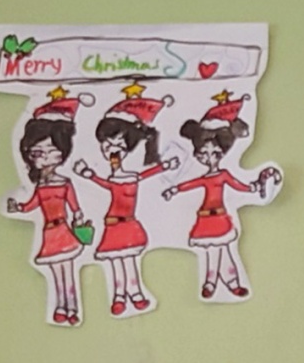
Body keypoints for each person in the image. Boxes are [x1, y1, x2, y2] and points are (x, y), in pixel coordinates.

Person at [164, 90, 283, 301]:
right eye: (204, 154)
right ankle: (225, 283)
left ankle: (216, 283)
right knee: (217, 250)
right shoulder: (207, 177)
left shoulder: (224, 175)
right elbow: (192, 184)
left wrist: (254, 188)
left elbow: (238, 185)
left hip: (220, 217)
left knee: (222, 250)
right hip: (206, 218)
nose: (209, 158)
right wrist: (175, 189)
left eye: (215, 153)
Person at [87, 84, 176, 314]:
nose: (113, 151)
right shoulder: (113, 178)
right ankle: (119, 296)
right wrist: (90, 175)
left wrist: (165, 166)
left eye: (119, 146)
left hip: (128, 224)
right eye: (107, 145)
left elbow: (148, 174)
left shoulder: (133, 177)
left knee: (129, 261)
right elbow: (106, 185)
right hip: (113, 225)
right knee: (116, 262)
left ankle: (135, 293)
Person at [4, 93, 90, 325]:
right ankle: (61, 306)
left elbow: (74, 205)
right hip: (49, 234)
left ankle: (71, 307)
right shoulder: (40, 187)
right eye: (37, 153)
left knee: (67, 270)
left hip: (63, 231)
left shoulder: (64, 183)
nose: (45, 158)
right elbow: (31, 204)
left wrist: (79, 218)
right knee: (56, 272)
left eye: (52, 151)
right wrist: (17, 207)